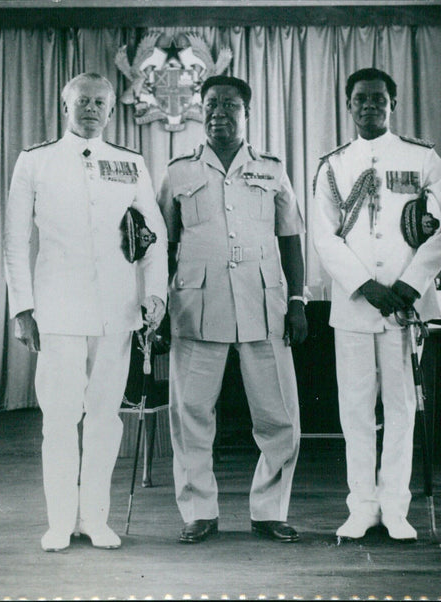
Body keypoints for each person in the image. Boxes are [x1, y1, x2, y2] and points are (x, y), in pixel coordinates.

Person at [3, 73, 167, 552]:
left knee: (104, 418)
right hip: (57, 310)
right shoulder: (35, 161)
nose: (91, 109)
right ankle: (59, 521)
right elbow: (16, 241)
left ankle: (95, 518)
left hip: (117, 311)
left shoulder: (129, 163)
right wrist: (23, 307)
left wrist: (154, 296)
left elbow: (153, 239)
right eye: (82, 101)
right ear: (64, 106)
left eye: (100, 102)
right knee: (58, 418)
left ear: (112, 111)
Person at [157, 75, 308, 544]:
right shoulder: (178, 172)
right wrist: (160, 308)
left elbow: (290, 239)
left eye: (231, 105)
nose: (220, 112)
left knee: (279, 415)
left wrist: (298, 302)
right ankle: (199, 511)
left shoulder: (272, 169)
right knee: (191, 415)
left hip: (264, 306)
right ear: (201, 111)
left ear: (247, 112)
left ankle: (269, 510)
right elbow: (163, 244)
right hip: (195, 307)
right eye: (211, 104)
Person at [311, 68, 441, 542]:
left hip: (405, 306)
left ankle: (395, 506)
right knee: (354, 409)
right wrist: (363, 285)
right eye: (360, 100)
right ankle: (362, 506)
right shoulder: (333, 165)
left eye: (378, 98)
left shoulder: (422, 158)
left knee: (400, 408)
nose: (369, 106)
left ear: (393, 103)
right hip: (356, 306)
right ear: (348, 106)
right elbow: (323, 236)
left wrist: (412, 284)